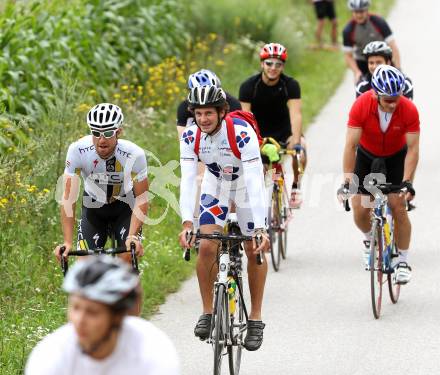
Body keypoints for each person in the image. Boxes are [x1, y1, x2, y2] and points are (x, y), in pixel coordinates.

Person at [178, 85, 270, 351]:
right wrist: (187, 222)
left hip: (244, 188)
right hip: (216, 185)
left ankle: (255, 318)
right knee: (207, 245)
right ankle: (208, 312)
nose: (203, 119)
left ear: (222, 112)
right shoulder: (191, 136)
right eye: (198, 113)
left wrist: (261, 227)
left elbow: (254, 180)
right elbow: (187, 180)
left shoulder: (242, 134)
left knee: (253, 248)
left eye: (209, 113)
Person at [25, 256, 180, 375]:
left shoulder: (152, 350)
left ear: (117, 316)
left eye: (92, 312)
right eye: (76, 307)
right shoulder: (49, 355)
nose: (79, 321)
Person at [338, 65, 420, 284]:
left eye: (396, 98)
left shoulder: (409, 109)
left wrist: (407, 182)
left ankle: (402, 260)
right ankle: (369, 241)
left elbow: (412, 149)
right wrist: (348, 181)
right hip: (366, 156)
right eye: (387, 99)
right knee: (359, 207)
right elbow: (350, 146)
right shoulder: (361, 106)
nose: (393, 103)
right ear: (375, 94)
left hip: (396, 157)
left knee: (398, 206)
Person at [54, 103, 148, 265]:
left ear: (119, 132)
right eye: (96, 133)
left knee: (126, 258)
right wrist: (68, 242)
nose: (102, 140)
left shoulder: (134, 154)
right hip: (94, 208)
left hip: (124, 207)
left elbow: (142, 198)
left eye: (108, 133)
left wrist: (132, 236)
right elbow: (69, 198)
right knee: (84, 266)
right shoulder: (77, 151)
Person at [239, 42, 307, 207]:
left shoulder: (290, 85)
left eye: (278, 64)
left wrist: (296, 140)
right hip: (258, 132)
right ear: (262, 64)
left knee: (301, 148)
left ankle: (296, 188)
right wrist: (251, 142)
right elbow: (244, 119)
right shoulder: (248, 86)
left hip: (283, 130)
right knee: (258, 176)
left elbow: (296, 114)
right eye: (269, 63)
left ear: (283, 66)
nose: (273, 68)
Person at [342, 0, 401, 82]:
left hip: (382, 58)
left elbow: (393, 46)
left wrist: (398, 68)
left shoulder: (379, 22)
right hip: (363, 61)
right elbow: (348, 56)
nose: (359, 15)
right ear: (352, 12)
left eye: (361, 11)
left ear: (367, 10)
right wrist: (356, 72)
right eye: (356, 12)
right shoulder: (348, 30)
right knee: (361, 86)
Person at [175, 69, 241, 138]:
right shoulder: (183, 107)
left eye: (209, 93)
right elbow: (182, 138)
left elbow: (238, 131)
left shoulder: (233, 103)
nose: (204, 100)